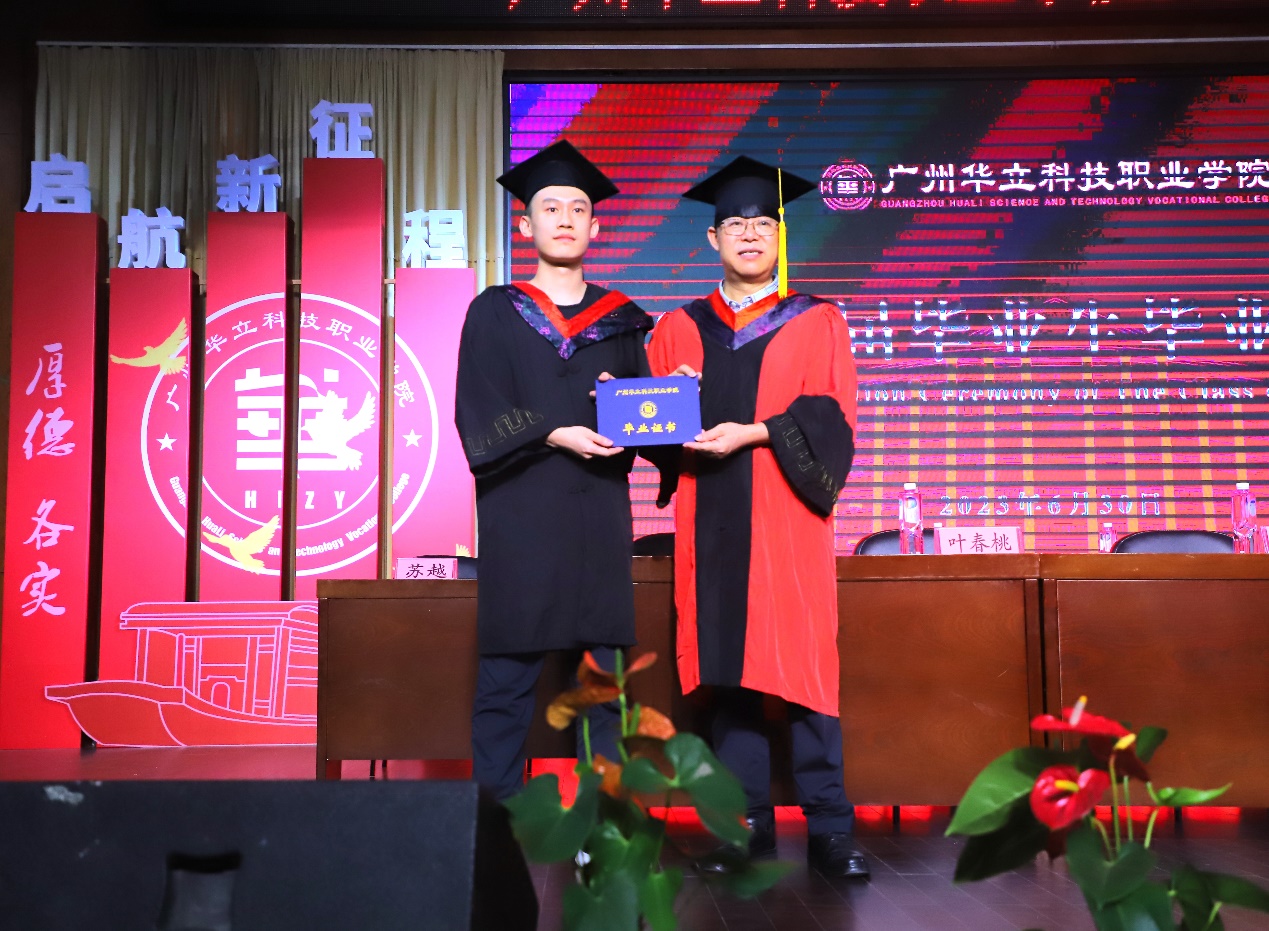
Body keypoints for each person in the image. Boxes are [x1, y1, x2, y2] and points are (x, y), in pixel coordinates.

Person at [646, 156, 868, 879]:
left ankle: (830, 829)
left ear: (779, 236)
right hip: (710, 518)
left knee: (806, 668)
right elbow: (654, 432)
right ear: (712, 239)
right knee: (727, 669)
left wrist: (757, 431)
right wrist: (650, 404)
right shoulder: (677, 328)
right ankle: (745, 826)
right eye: (735, 224)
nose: (749, 234)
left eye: (763, 223)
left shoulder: (817, 320)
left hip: (788, 521)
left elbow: (830, 417)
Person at [455, 140, 654, 801]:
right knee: (505, 683)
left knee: (602, 686)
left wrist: (669, 401)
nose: (565, 218)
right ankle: (493, 826)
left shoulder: (621, 320)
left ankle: (603, 828)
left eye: (578, 208)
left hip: (598, 521)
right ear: (525, 226)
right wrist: (553, 430)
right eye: (550, 207)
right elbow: (477, 407)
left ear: (596, 226)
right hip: (521, 519)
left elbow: (646, 423)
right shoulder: (494, 310)